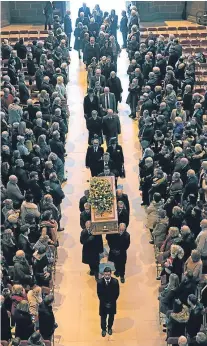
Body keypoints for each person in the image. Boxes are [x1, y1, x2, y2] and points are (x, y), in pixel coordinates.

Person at [97, 266, 119, 336]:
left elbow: (117, 293)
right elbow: (99, 294)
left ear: (111, 274)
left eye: (108, 275)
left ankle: (109, 328)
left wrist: (111, 302)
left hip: (112, 303)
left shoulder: (115, 282)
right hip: (103, 303)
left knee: (111, 317)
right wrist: (105, 303)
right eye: (105, 274)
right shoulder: (100, 282)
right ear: (103, 274)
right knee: (103, 317)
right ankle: (103, 329)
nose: (107, 276)